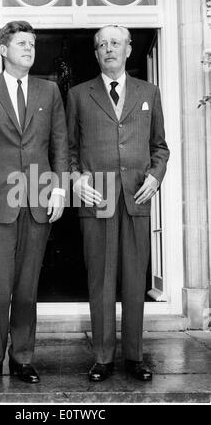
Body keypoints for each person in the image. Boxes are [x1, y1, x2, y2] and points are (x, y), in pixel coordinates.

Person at [0, 21, 68, 385]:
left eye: (33, 44)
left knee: (26, 286)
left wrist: (59, 190)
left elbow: (60, 145)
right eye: (22, 43)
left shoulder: (49, 91)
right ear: (3, 49)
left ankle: (23, 359)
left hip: (37, 199)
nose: (29, 48)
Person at [67, 25, 169, 382]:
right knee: (101, 280)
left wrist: (156, 176)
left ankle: (135, 356)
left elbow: (160, 147)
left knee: (133, 281)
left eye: (116, 43)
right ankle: (103, 357)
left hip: (137, 197)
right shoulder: (79, 95)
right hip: (97, 200)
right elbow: (69, 149)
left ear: (129, 49)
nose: (109, 48)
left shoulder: (149, 92)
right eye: (102, 44)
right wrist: (76, 179)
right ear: (95, 54)